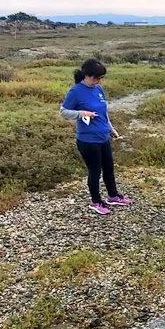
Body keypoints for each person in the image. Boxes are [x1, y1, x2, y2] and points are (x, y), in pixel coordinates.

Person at [59, 59, 132, 215]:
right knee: (95, 171)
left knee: (109, 168)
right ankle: (95, 201)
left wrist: (111, 129)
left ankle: (113, 196)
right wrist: (81, 113)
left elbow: (104, 113)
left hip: (103, 136)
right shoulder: (75, 91)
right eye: (95, 78)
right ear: (87, 75)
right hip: (88, 140)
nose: (98, 81)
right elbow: (63, 111)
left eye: (100, 78)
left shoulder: (98, 89)